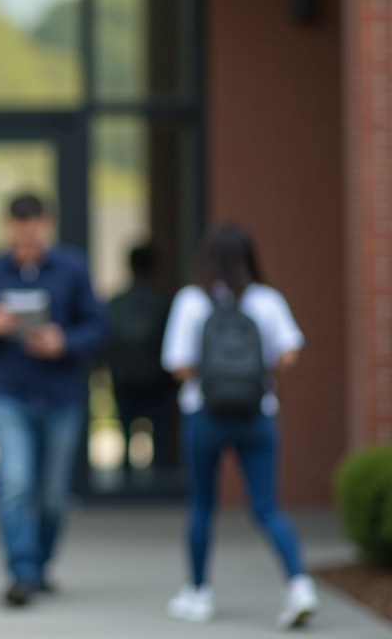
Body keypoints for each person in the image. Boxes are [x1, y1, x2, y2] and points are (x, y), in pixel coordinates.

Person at [162, 223, 319, 629]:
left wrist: (215, 374)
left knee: (202, 506)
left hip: (204, 415)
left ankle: (199, 593)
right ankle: (298, 585)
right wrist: (255, 374)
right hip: (256, 414)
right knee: (267, 507)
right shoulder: (266, 300)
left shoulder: (191, 301)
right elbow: (290, 353)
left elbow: (177, 365)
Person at [0, 194, 106, 607]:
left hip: (61, 397)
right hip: (7, 394)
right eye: (19, 233)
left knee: (52, 495)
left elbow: (98, 326)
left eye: (34, 233)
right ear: (8, 226)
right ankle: (22, 574)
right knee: (14, 482)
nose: (26, 241)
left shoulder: (72, 268)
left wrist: (64, 341)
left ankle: (40, 565)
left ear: (47, 225)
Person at [105, 245, 177, 480]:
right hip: (157, 378)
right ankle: (159, 476)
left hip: (123, 376)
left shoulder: (116, 302)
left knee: (125, 428)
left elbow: (105, 341)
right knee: (159, 431)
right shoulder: (163, 301)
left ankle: (125, 474)